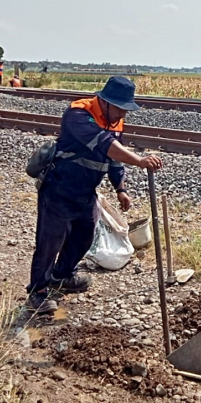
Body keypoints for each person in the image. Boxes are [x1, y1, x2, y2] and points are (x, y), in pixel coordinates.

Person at [26, 76, 163, 314]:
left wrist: (120, 188)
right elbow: (106, 146)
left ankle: (62, 276)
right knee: (50, 242)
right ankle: (38, 291)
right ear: (105, 102)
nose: (122, 115)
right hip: (59, 188)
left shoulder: (115, 121)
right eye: (120, 109)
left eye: (126, 110)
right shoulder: (78, 114)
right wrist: (140, 160)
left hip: (86, 192)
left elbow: (113, 159)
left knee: (84, 237)